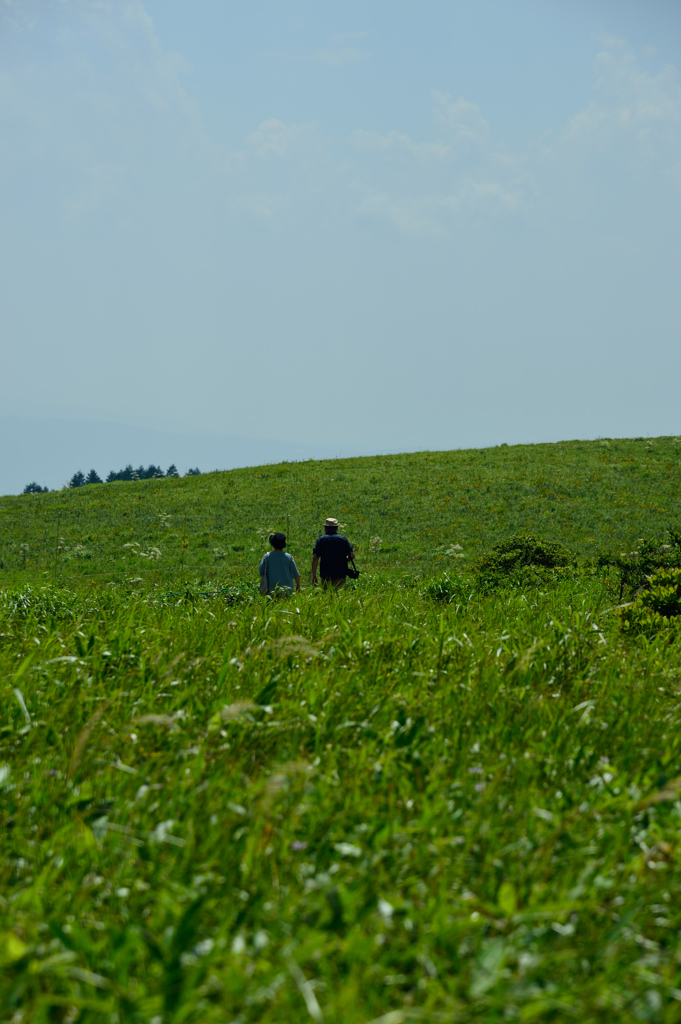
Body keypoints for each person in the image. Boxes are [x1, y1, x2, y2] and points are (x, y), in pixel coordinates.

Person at [311, 517, 355, 590]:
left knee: (326, 596)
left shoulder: (321, 540)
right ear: (336, 528)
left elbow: (315, 559)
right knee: (339, 596)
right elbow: (352, 556)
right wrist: (344, 560)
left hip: (325, 574)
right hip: (340, 573)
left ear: (326, 528)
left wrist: (314, 575)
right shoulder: (343, 540)